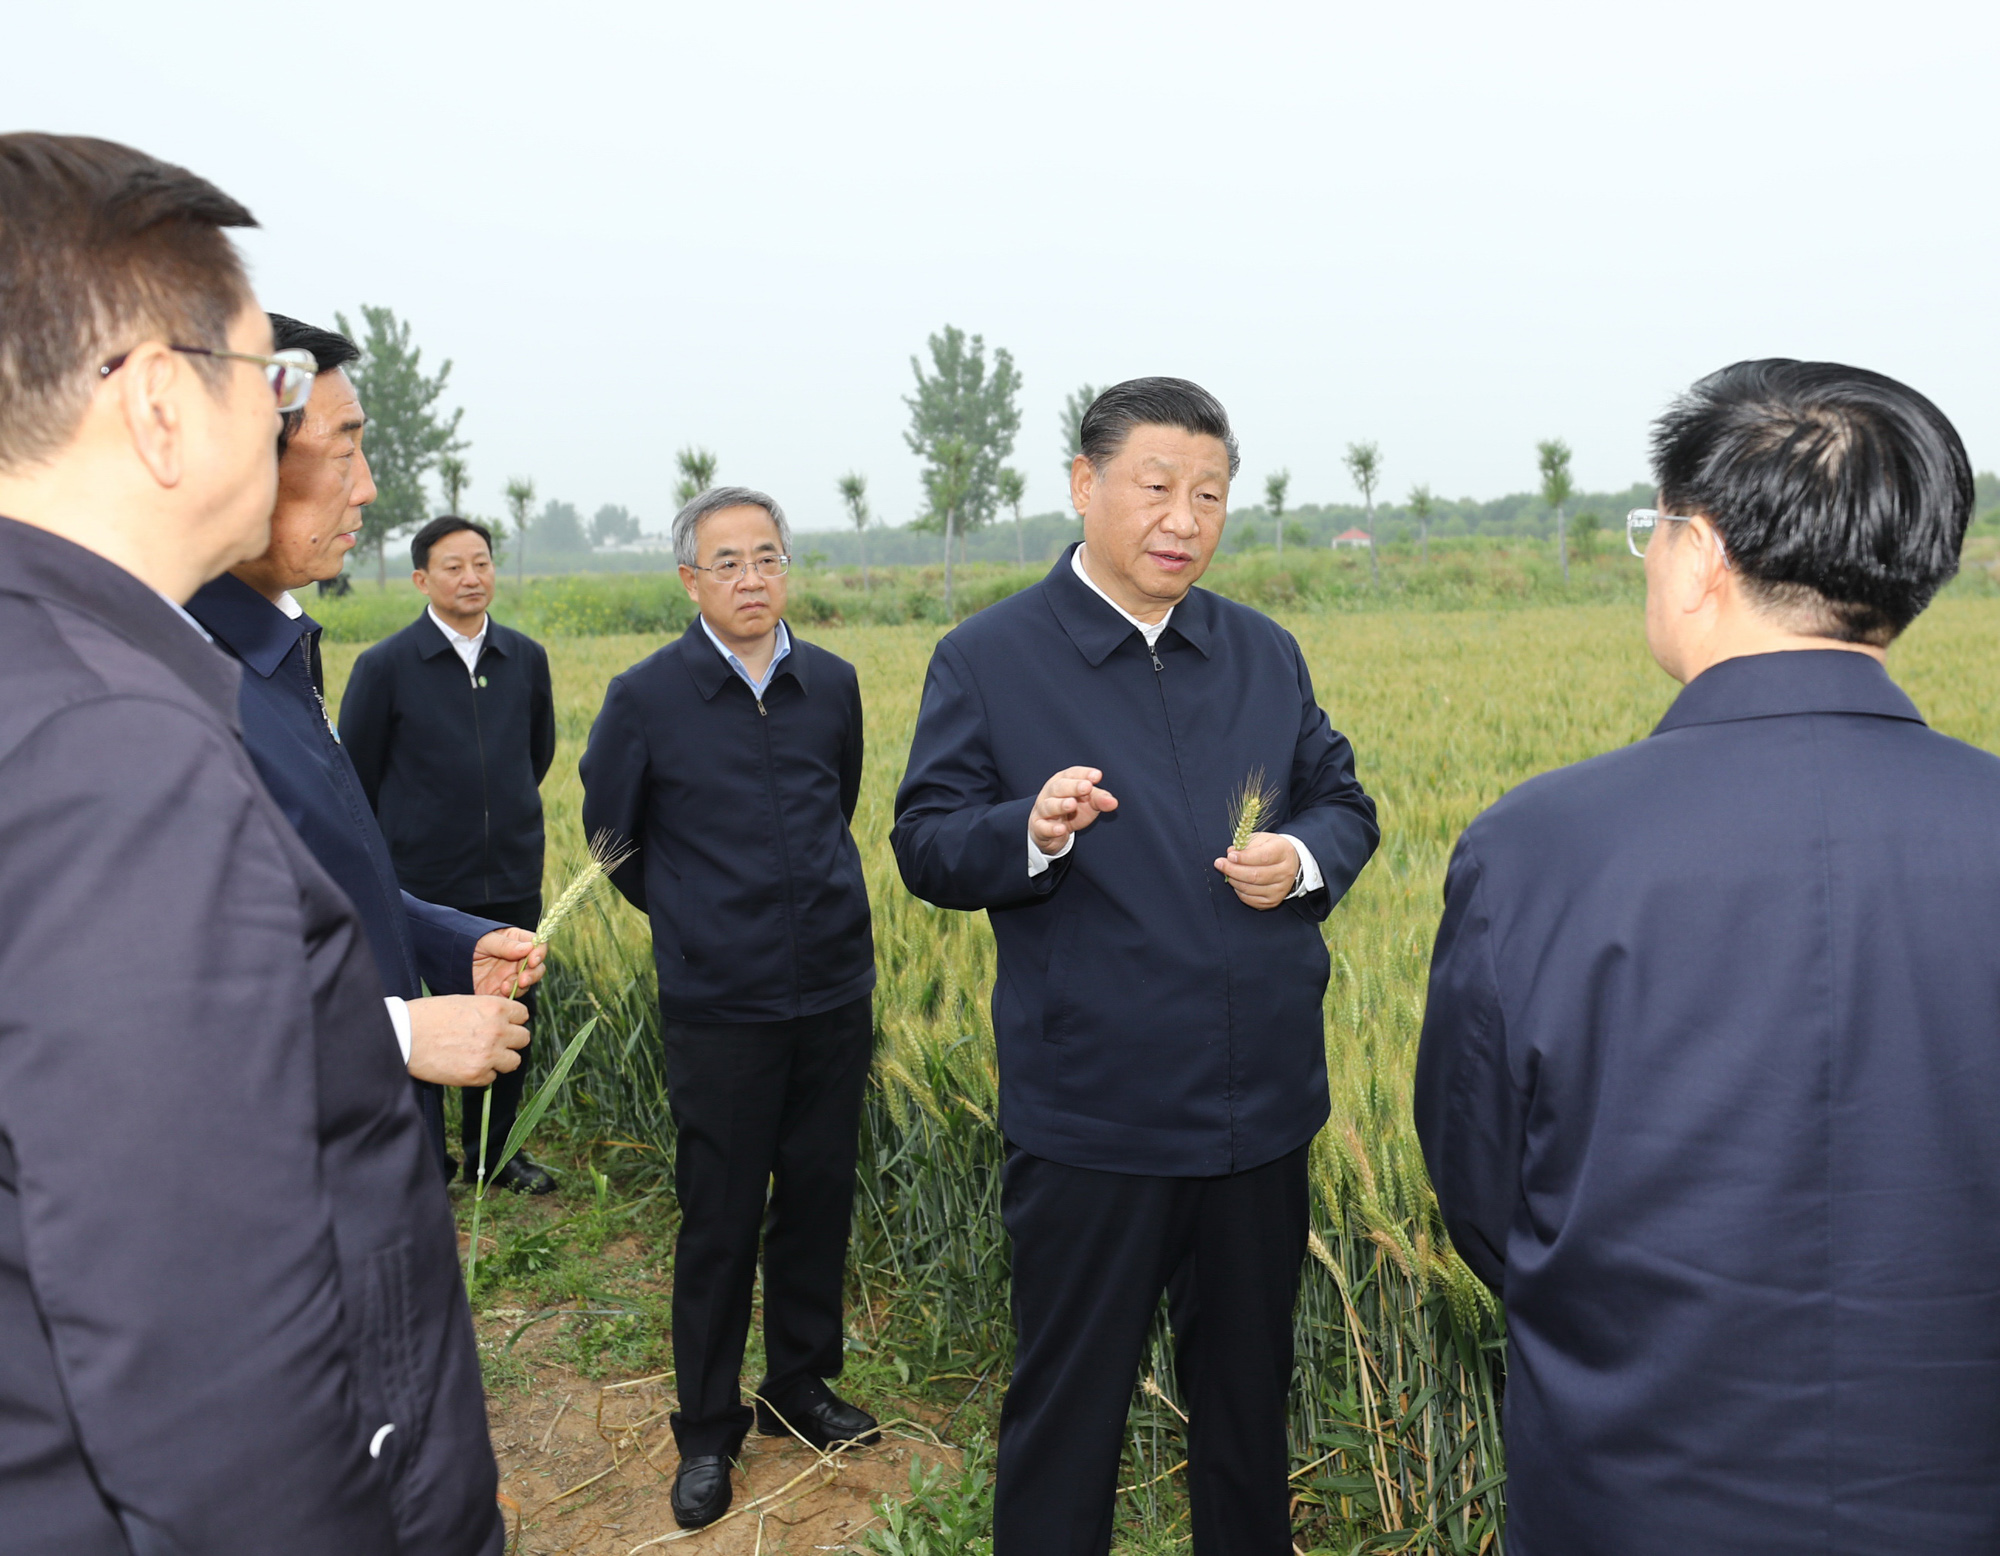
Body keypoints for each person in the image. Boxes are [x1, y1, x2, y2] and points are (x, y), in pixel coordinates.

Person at [0, 132, 501, 1554]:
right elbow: (206, 1374)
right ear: (162, 405)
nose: (288, 427)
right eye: (265, 379)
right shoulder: (112, 750)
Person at [1414, 360, 2000, 1554]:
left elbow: (1483, 1189)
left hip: (1632, 1490)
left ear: (1698, 553)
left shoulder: (1538, 846)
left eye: (1654, 528)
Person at [892, 379, 1379, 1555]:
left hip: (1260, 1109)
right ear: (1083, 483)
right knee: (1070, 1412)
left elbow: (1342, 800)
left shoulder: (1260, 649)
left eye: (1207, 494)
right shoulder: (988, 657)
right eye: (1155, 486)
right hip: (1093, 1117)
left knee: (1247, 1406)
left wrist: (1300, 857)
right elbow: (925, 840)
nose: (1182, 518)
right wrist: (1028, 829)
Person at [580, 486, 877, 1529]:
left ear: (787, 566)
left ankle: (799, 1383)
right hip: (719, 1004)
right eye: (728, 562)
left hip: (832, 987)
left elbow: (837, 799)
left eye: (767, 557)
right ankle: (707, 1429)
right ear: (689, 580)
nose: (751, 578)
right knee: (720, 1216)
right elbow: (612, 841)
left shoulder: (831, 684)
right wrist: (697, 921)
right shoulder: (645, 697)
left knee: (818, 1194)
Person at [186, 318, 542, 1180]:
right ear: (235, 461)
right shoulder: (171, 683)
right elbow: (154, 997)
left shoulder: (276, 653)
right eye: (344, 449)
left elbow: (300, 884)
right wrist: (397, 1034)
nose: (369, 487)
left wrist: (440, 940)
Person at [342, 514, 560, 1193]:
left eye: (482, 563)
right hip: (418, 883)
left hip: (511, 871)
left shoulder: (525, 658)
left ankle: (495, 1155)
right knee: (421, 1018)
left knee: (511, 1011)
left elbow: (539, 752)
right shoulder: (385, 666)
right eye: (454, 566)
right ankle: (424, 1158)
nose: (471, 578)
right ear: (421, 579)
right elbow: (356, 776)